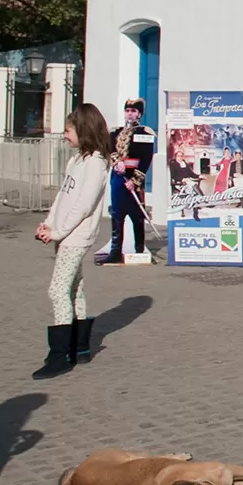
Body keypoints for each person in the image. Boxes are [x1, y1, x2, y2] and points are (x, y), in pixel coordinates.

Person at [34, 104, 112, 379]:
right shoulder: (77, 160)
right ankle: (78, 348)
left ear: (83, 130)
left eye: (68, 130)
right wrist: (49, 224)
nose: (64, 135)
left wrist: (59, 232)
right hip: (64, 233)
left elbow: (83, 205)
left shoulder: (97, 164)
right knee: (74, 287)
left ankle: (59, 356)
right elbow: (63, 196)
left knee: (57, 290)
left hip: (76, 236)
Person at [98, 98, 155, 265]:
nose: (130, 114)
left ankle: (139, 249)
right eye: (127, 111)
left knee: (137, 216)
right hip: (118, 178)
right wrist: (117, 162)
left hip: (134, 180)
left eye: (133, 111)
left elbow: (146, 159)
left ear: (139, 114)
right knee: (117, 213)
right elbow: (111, 149)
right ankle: (115, 251)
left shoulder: (145, 133)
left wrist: (135, 180)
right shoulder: (115, 132)